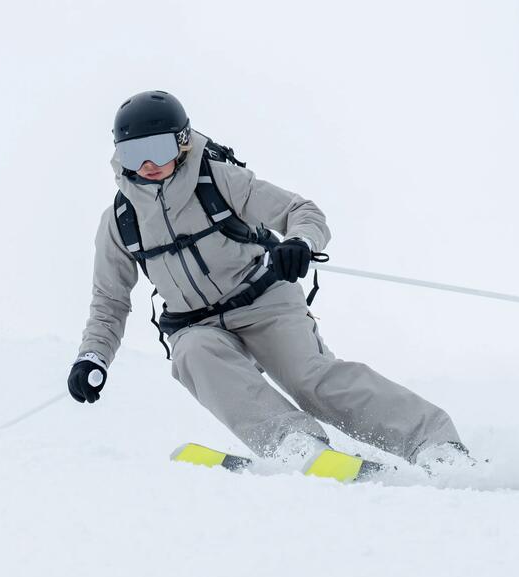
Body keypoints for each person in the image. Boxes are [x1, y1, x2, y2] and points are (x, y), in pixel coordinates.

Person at [67, 90, 471, 470]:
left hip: (264, 303)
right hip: (197, 324)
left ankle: (432, 442)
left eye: (158, 149)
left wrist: (299, 242)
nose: (147, 163)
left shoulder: (219, 181)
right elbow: (109, 301)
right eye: (133, 153)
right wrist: (93, 357)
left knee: (309, 380)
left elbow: (302, 211)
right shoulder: (120, 221)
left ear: (183, 142)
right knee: (191, 353)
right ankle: (292, 442)